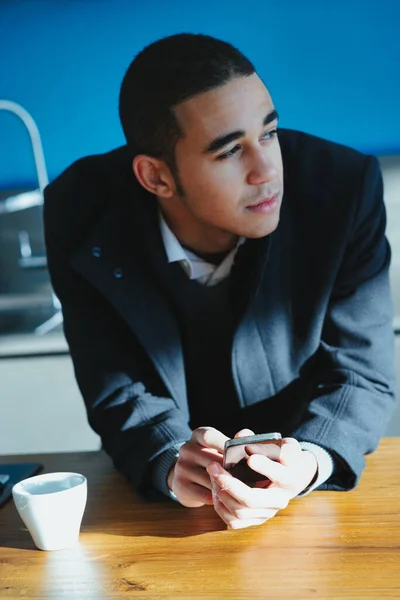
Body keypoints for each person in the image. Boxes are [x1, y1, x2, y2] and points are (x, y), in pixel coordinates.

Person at [43, 33, 396, 530]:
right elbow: (115, 384)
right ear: (156, 178)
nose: (266, 171)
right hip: (167, 520)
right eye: (230, 151)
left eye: (269, 133)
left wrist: (310, 461)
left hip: (314, 496)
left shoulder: (342, 188)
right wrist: (168, 460)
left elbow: (362, 371)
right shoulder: (79, 213)